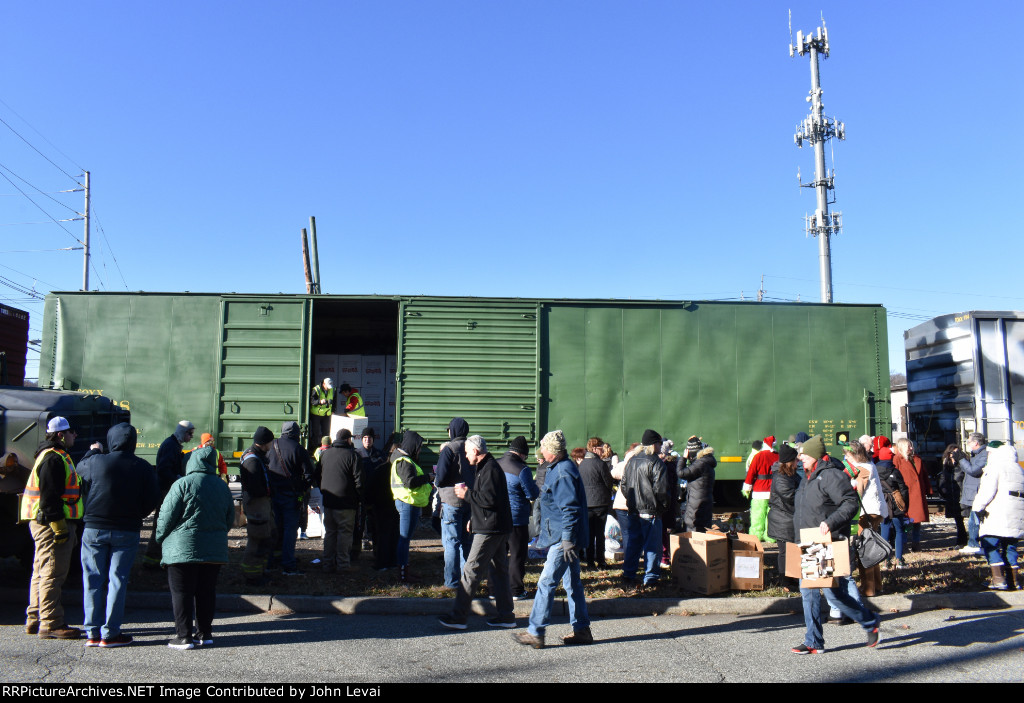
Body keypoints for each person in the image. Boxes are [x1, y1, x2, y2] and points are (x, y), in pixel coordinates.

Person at [791, 435, 881, 655]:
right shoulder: (808, 477)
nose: (800, 457)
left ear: (814, 455)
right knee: (808, 593)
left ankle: (869, 621)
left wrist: (829, 523)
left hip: (824, 543)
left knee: (833, 596)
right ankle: (814, 641)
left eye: (804, 454)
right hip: (808, 543)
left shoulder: (830, 475)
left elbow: (850, 503)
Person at [76, 422, 159, 647]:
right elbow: (152, 498)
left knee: (92, 579)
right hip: (127, 529)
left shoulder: (95, 462)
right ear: (133, 442)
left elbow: (79, 469)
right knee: (117, 581)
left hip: (94, 528)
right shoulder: (142, 467)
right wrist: (137, 514)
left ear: (110, 440)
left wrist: (93, 450)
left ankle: (92, 632)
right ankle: (111, 633)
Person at [513, 430, 593, 649]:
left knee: (546, 582)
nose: (541, 451)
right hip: (565, 536)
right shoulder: (559, 468)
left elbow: (570, 509)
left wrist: (567, 540)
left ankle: (535, 631)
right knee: (572, 583)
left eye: (544, 448)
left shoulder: (562, 472)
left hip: (563, 538)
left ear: (552, 451)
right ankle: (581, 629)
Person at [156, 446, 234, 650]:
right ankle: (205, 633)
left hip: (182, 548)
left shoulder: (182, 484)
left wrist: (159, 537)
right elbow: (229, 519)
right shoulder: (221, 486)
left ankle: (183, 636)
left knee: (182, 592)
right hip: (213, 550)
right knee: (206, 591)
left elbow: (166, 517)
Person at [440, 435, 515, 629]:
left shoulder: (489, 469)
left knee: (471, 570)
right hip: (495, 526)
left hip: (490, 529)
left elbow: (488, 500)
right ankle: (506, 615)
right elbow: (490, 500)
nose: (465, 456)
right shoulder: (486, 467)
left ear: (475, 451)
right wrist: (474, 519)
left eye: (466, 452)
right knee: (499, 572)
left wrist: (467, 495)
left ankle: (458, 616)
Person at [21, 417, 83, 639]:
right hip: (50, 524)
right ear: (60, 435)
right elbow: (49, 500)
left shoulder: (47, 456)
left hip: (41, 523)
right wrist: (60, 528)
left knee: (40, 572)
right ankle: (51, 623)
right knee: (52, 574)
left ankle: (35, 618)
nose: (75, 435)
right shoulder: (54, 459)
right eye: (72, 432)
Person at [971, 442, 1024, 590]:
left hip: (998, 513)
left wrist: (977, 508)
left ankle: (998, 579)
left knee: (991, 544)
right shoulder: (1019, 468)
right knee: (1010, 546)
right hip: (1016, 515)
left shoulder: (995, 467)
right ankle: (1014, 580)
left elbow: (987, 491)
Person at [620, 429, 669, 588]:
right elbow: (661, 490)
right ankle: (650, 579)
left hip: (633, 510)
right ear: (654, 444)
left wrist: (632, 502)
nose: (661, 446)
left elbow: (624, 486)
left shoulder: (632, 460)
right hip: (650, 511)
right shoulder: (656, 462)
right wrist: (662, 507)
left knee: (634, 543)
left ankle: (628, 575)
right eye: (659, 443)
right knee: (652, 546)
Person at [143, 420, 194, 568]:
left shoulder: (173, 445)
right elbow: (164, 470)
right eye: (190, 434)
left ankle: (155, 559)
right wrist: (178, 479)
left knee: (164, 524)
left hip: (167, 490)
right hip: (166, 492)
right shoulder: (171, 446)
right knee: (162, 524)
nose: (191, 437)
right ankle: (151, 560)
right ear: (183, 433)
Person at [266, 421, 315, 576]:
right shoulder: (298, 449)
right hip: (291, 496)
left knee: (275, 529)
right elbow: (309, 475)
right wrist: (302, 490)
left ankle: (272, 560)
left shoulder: (271, 445)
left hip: (273, 495)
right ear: (296, 434)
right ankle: (288, 564)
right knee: (289, 530)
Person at [844, 442, 889, 597]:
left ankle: (868, 589)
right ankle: (877, 585)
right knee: (872, 547)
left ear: (854, 455)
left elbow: (858, 491)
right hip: (875, 511)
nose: (845, 458)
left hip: (867, 513)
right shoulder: (870, 464)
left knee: (865, 550)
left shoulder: (862, 469)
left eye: (847, 455)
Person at [498, 435, 539, 600]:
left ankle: (494, 589)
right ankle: (515, 590)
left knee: (498, 555)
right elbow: (532, 493)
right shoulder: (522, 469)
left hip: (497, 518)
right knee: (516, 555)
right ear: (522, 454)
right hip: (516, 519)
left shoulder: (495, 463)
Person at [435, 418, 472, 590]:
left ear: (453, 431)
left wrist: (437, 482)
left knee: (451, 542)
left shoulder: (449, 449)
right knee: (466, 541)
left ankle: (451, 582)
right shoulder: (472, 447)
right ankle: (468, 580)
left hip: (451, 500)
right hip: (469, 500)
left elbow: (440, 477)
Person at [319, 429, 363, 573]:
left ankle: (327, 564)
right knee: (345, 533)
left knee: (330, 533)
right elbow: (359, 481)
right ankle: (343, 565)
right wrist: (359, 497)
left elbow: (317, 475)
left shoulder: (325, 454)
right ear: (347, 440)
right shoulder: (353, 456)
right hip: (346, 503)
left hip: (328, 501)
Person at [390, 430, 431, 582]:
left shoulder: (402, 459)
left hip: (409, 502)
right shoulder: (404, 461)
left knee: (405, 539)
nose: (419, 450)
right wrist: (427, 478)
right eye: (419, 446)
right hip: (407, 502)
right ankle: (403, 574)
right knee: (404, 539)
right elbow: (410, 482)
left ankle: (405, 569)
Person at [239, 427, 275, 584]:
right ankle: (252, 575)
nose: (272, 445)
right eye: (271, 442)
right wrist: (269, 491)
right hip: (257, 506)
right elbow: (255, 488)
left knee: (262, 537)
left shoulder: (252, 455)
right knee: (257, 539)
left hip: (256, 504)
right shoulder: (253, 461)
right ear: (264, 442)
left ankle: (257, 571)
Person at [767, 443, 800, 591]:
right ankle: (786, 582)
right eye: (795, 460)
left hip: (787, 518)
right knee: (785, 552)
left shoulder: (790, 475)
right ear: (789, 462)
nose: (797, 463)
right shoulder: (781, 478)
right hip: (783, 519)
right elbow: (790, 496)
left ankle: (791, 579)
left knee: (790, 551)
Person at [578, 437, 613, 570]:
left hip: (586, 504)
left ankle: (590, 561)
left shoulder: (581, 465)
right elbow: (608, 482)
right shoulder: (600, 464)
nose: (602, 449)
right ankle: (601, 561)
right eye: (600, 447)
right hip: (600, 502)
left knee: (589, 534)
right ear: (594, 449)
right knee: (599, 534)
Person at [954, 432, 988, 556]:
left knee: (975, 520)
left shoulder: (984, 455)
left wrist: (962, 459)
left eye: (969, 442)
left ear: (976, 443)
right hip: (974, 491)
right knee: (973, 520)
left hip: (978, 492)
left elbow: (973, 470)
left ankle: (974, 544)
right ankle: (975, 543)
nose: (968, 444)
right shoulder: (977, 455)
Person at [893, 438, 931, 552]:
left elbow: (924, 475)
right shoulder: (897, 459)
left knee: (917, 520)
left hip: (917, 493)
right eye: (908, 446)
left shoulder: (917, 459)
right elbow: (895, 476)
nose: (911, 448)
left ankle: (916, 542)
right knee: (905, 519)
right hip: (906, 493)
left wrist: (927, 489)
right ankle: (904, 543)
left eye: (911, 446)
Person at [877, 447, 911, 568]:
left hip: (882, 503)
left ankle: (885, 560)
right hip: (896, 504)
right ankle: (899, 559)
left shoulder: (875, 471)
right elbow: (903, 489)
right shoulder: (895, 472)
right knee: (899, 530)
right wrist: (905, 505)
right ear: (890, 457)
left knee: (884, 529)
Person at [743, 436, 778, 542]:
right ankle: (770, 536)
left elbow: (751, 473)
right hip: (774, 489)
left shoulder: (758, 456)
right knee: (771, 514)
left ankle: (756, 535)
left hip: (760, 489)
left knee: (758, 514)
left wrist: (747, 486)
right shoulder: (777, 456)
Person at [678, 436, 716, 533]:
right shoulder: (706, 461)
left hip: (697, 503)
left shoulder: (700, 463)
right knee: (703, 528)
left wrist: (683, 458)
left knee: (693, 527)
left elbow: (681, 473)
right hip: (702, 500)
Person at [941, 444, 968, 546]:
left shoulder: (963, 464)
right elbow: (943, 479)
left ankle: (968, 540)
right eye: (952, 453)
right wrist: (943, 491)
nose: (953, 455)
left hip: (961, 495)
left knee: (967, 519)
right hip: (952, 496)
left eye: (956, 452)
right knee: (958, 520)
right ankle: (961, 540)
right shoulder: (947, 465)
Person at [309, 377, 335, 452]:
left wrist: (333, 410)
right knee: (315, 432)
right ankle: (314, 450)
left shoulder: (332, 390)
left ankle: (325, 449)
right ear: (323, 384)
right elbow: (312, 401)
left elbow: (334, 401)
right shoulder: (316, 389)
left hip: (327, 414)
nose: (329, 389)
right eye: (327, 387)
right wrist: (320, 401)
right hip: (316, 414)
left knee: (326, 432)